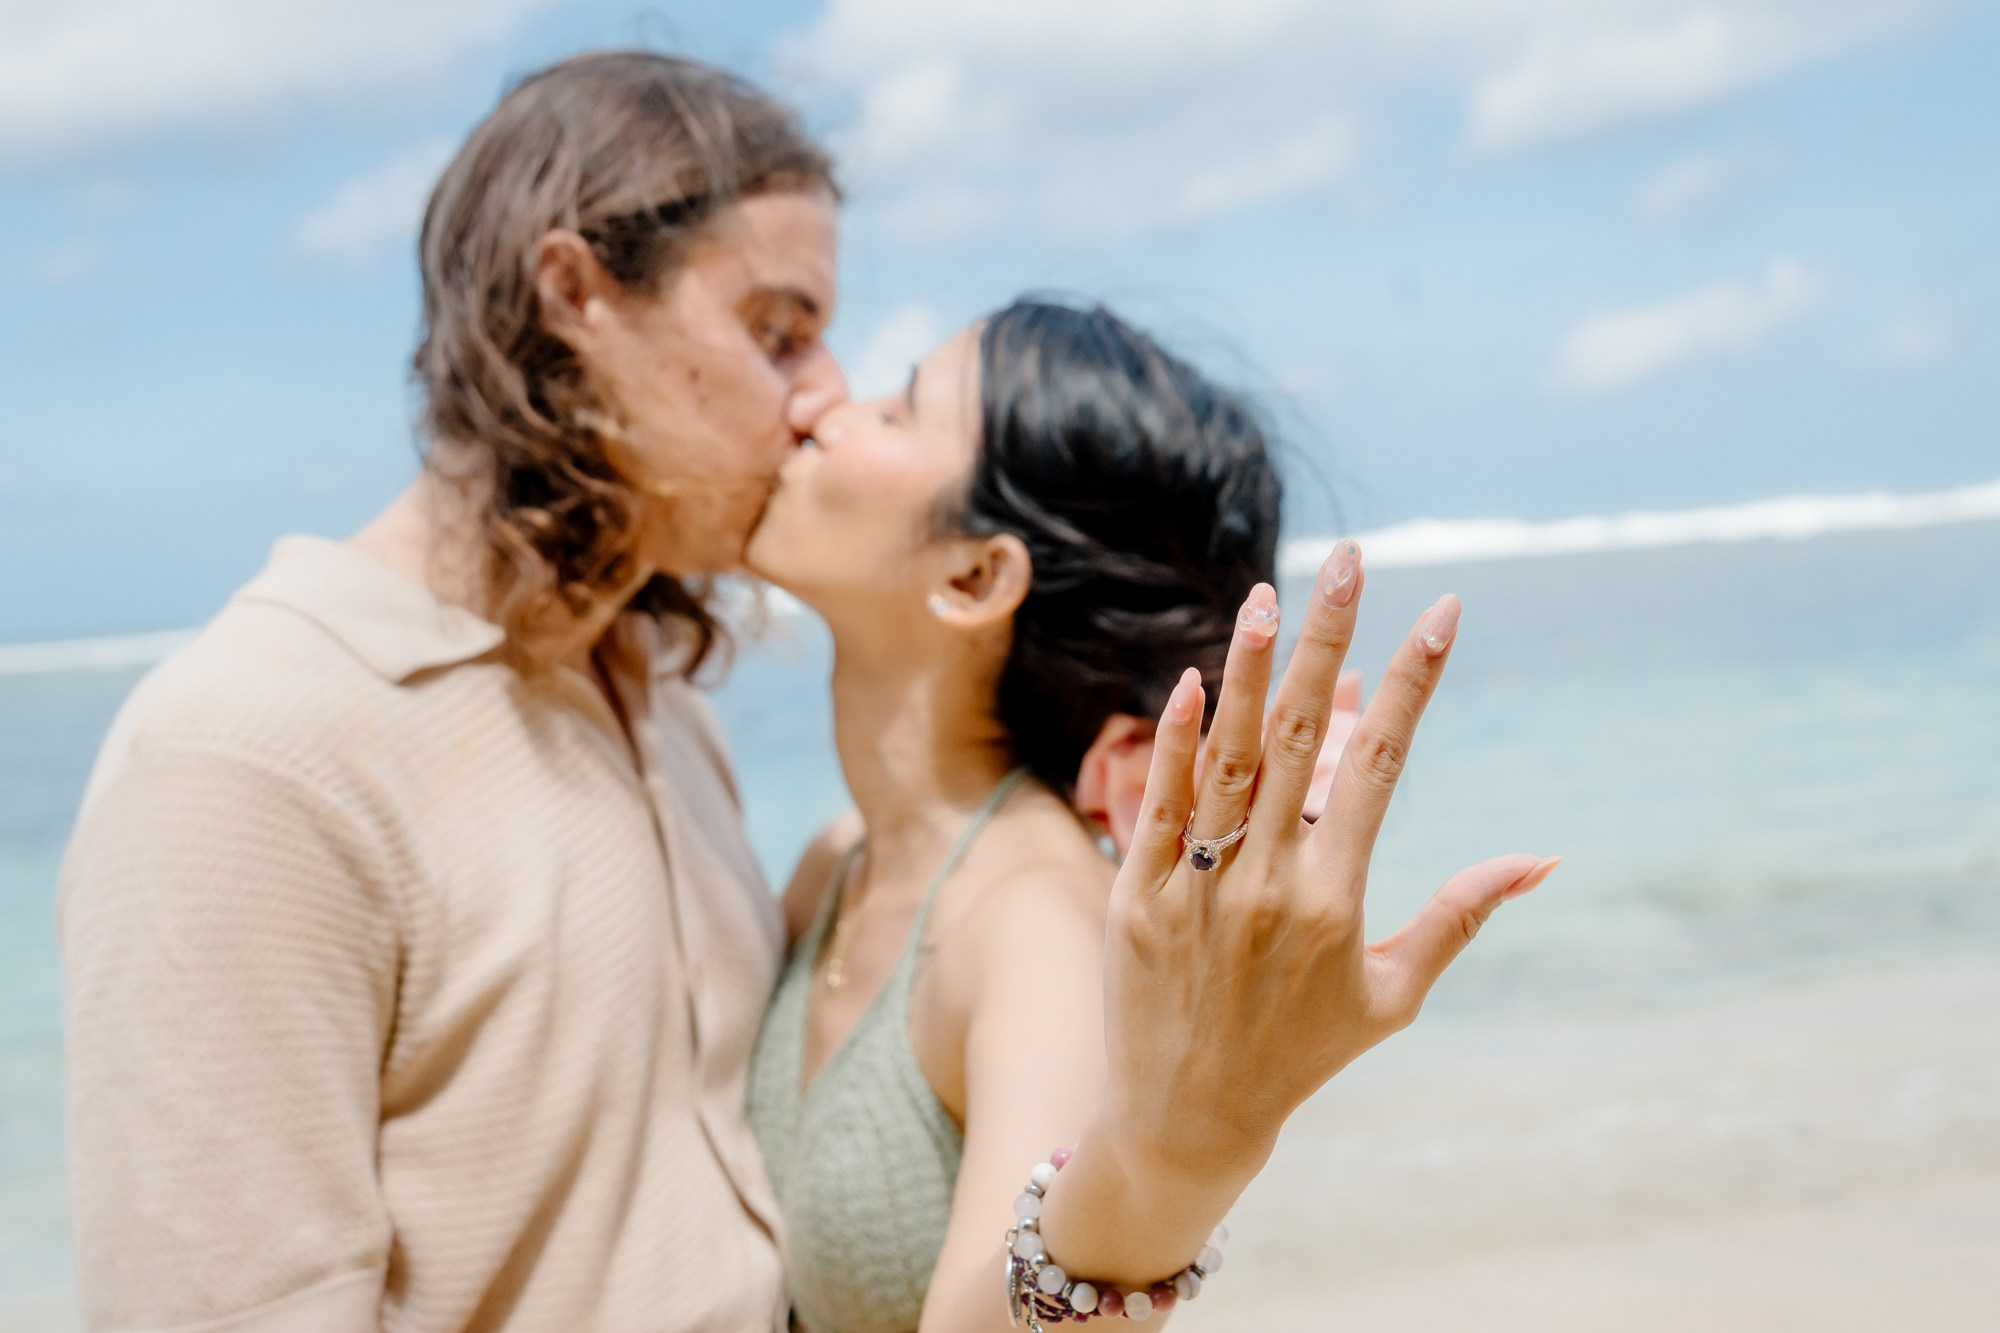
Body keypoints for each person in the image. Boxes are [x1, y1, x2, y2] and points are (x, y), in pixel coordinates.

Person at [59, 51, 1552, 1333]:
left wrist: (1175, 1146)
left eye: (841, 348)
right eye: (778, 330)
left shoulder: (663, 713)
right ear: (577, 296)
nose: (820, 392)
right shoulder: (251, 754)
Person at [741, 300, 1559, 1330]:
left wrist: (1181, 1152)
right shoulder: (839, 861)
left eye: (898, 412)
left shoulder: (1029, 926)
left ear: (972, 575)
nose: (824, 410)